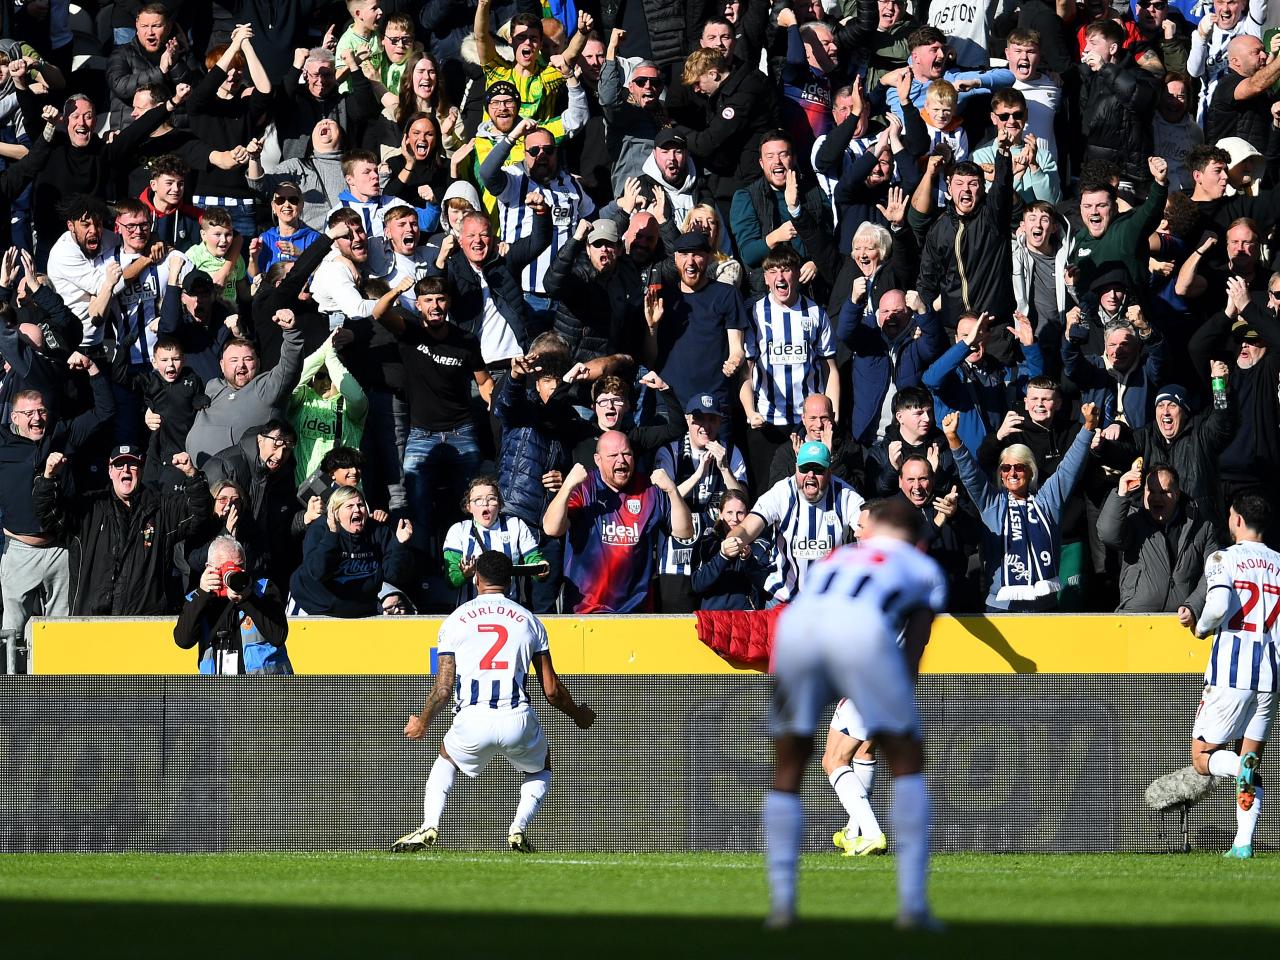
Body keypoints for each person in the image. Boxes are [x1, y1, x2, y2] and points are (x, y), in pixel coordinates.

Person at [765, 497, 947, 930]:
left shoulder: (840, 555)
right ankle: (911, 904)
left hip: (797, 637)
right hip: (862, 643)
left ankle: (783, 904)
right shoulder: (924, 570)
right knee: (903, 764)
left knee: (790, 768)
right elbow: (915, 645)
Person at [391, 551, 596, 853]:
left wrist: (422, 721)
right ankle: (518, 828)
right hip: (516, 717)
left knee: (447, 758)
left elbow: (444, 687)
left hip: (473, 718)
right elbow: (551, 690)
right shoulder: (529, 620)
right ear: (509, 582)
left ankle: (429, 824)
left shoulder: (456, 619)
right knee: (540, 768)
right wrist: (578, 714)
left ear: (476, 579)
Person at [1183, 494, 1278, 859]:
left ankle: (1243, 769)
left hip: (1232, 674)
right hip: (1270, 677)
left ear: (1236, 519)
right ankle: (1242, 843)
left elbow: (1219, 605)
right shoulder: (1279, 564)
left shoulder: (1223, 558)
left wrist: (1201, 628)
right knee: (1250, 753)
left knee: (1203, 758)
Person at [944, 405, 1100, 611]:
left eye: (1019, 467)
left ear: (1030, 471)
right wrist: (953, 439)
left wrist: (1088, 426)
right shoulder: (991, 503)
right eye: (1006, 468)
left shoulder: (1047, 501)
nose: (1012, 473)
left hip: (1044, 606)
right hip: (1002, 607)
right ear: (1000, 473)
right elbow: (971, 475)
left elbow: (1069, 469)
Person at [33, 445, 211, 615]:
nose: (125, 470)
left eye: (132, 464)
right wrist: (48, 477)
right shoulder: (89, 507)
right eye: (119, 464)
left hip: (145, 624)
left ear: (141, 470)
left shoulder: (161, 508)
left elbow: (198, 514)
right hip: (91, 623)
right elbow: (49, 516)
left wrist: (192, 475)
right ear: (110, 471)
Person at [543, 430, 694, 613]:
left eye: (627, 454)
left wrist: (672, 491)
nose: (621, 460)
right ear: (598, 459)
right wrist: (567, 486)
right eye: (613, 455)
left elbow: (685, 532)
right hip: (587, 611)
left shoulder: (648, 490)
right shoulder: (584, 487)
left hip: (637, 612)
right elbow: (551, 528)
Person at [725, 440, 865, 604]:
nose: (810, 475)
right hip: (784, 597)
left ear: (829, 471)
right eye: (805, 468)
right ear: (796, 468)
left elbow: (869, 530)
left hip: (831, 601)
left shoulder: (846, 496)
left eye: (818, 469)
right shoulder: (781, 492)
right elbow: (747, 528)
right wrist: (734, 539)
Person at [1099, 463, 1221, 612]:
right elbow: (1108, 534)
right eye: (1151, 491)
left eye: (1164, 492)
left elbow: (1214, 572)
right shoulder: (1133, 520)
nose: (1156, 498)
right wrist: (1121, 493)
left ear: (1177, 494)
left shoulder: (1202, 527)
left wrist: (1193, 606)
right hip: (1136, 616)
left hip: (1181, 620)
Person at [288, 485, 416, 617]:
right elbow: (317, 572)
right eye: (349, 506)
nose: (357, 510)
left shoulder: (378, 531)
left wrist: (399, 545)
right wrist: (332, 535)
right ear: (335, 512)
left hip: (361, 610)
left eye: (360, 505)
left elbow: (395, 575)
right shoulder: (319, 529)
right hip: (312, 607)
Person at [173, 534, 292, 675]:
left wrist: (247, 598)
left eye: (240, 566)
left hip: (262, 691)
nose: (235, 574)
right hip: (219, 692)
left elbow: (278, 636)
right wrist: (203, 594)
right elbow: (183, 640)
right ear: (209, 568)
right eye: (226, 569)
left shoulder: (263, 590)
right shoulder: (199, 598)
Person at [442, 475, 545, 604]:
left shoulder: (516, 525)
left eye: (491, 499)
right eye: (478, 500)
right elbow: (451, 580)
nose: (485, 503)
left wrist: (542, 570)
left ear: (500, 504)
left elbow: (535, 562)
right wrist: (465, 575)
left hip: (509, 608)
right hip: (471, 611)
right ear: (468, 507)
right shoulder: (458, 530)